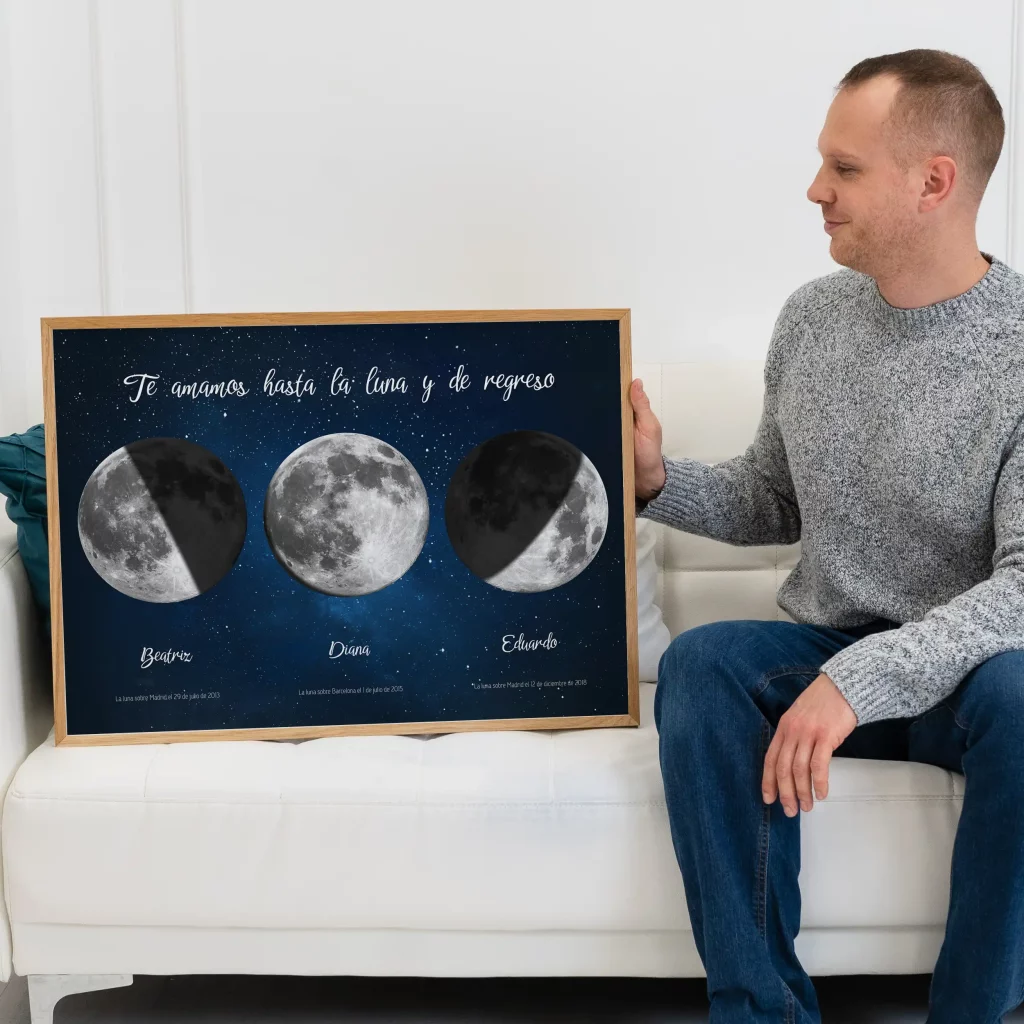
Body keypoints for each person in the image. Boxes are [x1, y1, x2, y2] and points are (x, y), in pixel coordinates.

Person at [631, 48, 1024, 1024]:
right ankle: (760, 1010)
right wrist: (657, 483)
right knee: (703, 664)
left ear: (933, 182)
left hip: (967, 675)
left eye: (844, 168)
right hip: (823, 647)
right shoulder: (811, 319)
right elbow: (773, 500)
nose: (816, 190)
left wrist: (859, 682)